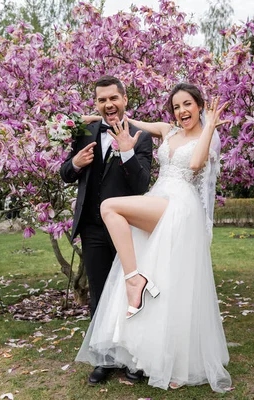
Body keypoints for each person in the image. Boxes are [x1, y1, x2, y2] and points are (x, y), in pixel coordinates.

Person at [75, 83, 232, 392]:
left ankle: (133, 278)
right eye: (176, 106)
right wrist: (91, 119)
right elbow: (126, 120)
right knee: (164, 281)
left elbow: (197, 163)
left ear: (200, 106)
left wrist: (210, 127)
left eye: (188, 104)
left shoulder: (209, 136)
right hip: (158, 201)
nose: (182, 111)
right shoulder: (166, 130)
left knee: (110, 207)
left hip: (180, 207)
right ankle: (149, 354)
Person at [60, 75, 153, 384]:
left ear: (124, 100)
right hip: (93, 229)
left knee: (129, 292)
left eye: (113, 98)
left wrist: (126, 151)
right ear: (96, 103)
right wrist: (75, 162)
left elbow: (141, 185)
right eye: (102, 100)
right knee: (99, 294)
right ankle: (104, 358)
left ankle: (134, 359)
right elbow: (65, 175)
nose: (108, 104)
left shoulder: (141, 136)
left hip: (125, 228)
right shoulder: (85, 132)